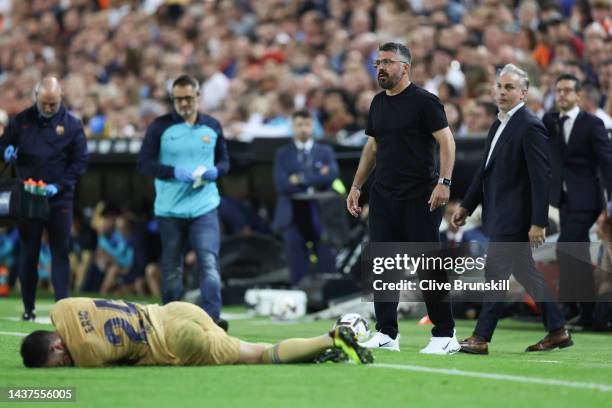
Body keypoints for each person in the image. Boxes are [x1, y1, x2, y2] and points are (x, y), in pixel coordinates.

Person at [346, 42, 458, 354]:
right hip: (384, 195)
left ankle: (445, 335)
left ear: (405, 67)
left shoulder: (425, 102)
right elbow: (372, 147)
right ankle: (386, 333)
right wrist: (356, 187)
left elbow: (447, 142)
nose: (380, 68)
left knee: (428, 264)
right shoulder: (378, 103)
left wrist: (444, 182)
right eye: (377, 63)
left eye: (386, 62)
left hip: (420, 194)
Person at [452, 64, 572, 355]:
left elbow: (541, 177)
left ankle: (481, 337)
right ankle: (558, 330)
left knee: (495, 272)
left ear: (524, 93)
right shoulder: (499, 124)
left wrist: (538, 222)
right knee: (527, 273)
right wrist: (467, 205)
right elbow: (483, 171)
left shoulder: (530, 125)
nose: (503, 92)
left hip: (516, 217)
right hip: (499, 213)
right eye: (500, 86)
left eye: (509, 87)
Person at [19, 297, 373, 368]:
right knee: (240, 344)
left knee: (258, 353)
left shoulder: (85, 357)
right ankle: (216, 330)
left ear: (56, 350)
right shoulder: (62, 309)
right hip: (175, 310)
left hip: (175, 343)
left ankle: (331, 337)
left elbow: (88, 357)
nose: (66, 366)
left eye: (60, 364)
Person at [138, 74, 230, 330]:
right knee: (172, 268)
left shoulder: (212, 126)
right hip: (170, 209)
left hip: (204, 205)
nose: (184, 103)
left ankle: (213, 321)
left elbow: (224, 161)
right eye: (178, 99)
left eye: (188, 98)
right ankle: (170, 322)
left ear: (198, 97)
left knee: (208, 262)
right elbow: (144, 164)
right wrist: (172, 171)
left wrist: (217, 172)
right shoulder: (159, 127)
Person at [0, 76, 89, 321]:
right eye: (44, 104)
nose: (49, 109)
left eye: (53, 104)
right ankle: (29, 307)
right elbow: (4, 142)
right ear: (35, 98)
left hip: (59, 197)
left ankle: (62, 309)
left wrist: (59, 186)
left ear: (61, 99)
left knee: (61, 252)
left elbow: (80, 162)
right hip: (28, 197)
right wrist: (5, 150)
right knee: (29, 252)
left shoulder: (71, 125)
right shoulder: (21, 120)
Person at [542, 73, 612, 329]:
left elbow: (607, 163)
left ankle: (571, 306)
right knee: (576, 250)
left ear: (579, 96)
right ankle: (586, 312)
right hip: (563, 199)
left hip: (587, 199)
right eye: (558, 90)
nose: (562, 94)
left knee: (566, 246)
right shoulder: (551, 122)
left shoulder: (592, 124)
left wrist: (611, 199)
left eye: (568, 90)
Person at [273, 110, 340, 285]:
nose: (303, 129)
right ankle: (298, 295)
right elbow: (282, 184)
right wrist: (317, 174)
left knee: (325, 253)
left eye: (307, 124)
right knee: (296, 257)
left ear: (313, 127)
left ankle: (327, 294)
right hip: (292, 213)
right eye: (299, 125)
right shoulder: (283, 153)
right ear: (292, 127)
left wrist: (300, 178)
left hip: (320, 211)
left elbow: (332, 175)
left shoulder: (325, 150)